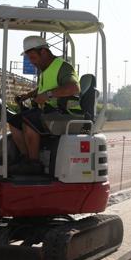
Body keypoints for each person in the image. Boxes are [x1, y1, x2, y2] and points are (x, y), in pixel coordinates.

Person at [8, 36, 80, 175]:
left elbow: (74, 88)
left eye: (33, 57)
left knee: (28, 121)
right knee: (14, 121)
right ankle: (26, 159)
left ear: (44, 52)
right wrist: (28, 95)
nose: (31, 62)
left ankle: (34, 164)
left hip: (65, 113)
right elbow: (43, 89)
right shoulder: (45, 70)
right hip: (51, 112)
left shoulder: (63, 67)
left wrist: (48, 95)